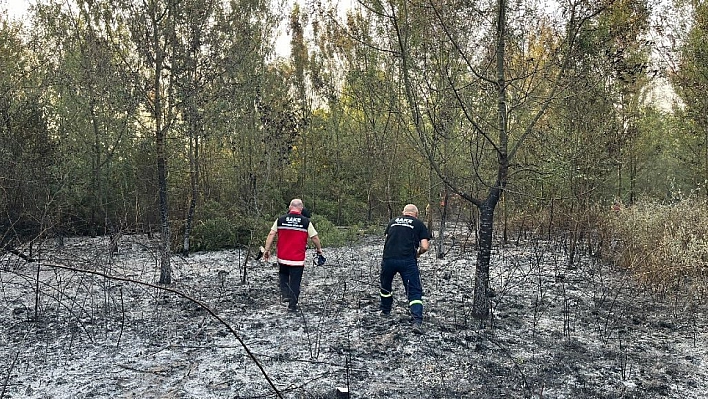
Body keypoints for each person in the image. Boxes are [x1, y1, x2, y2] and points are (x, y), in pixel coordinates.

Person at [263, 199, 323, 312]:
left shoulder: (280, 220)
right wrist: (319, 249)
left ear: (290, 207)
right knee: (295, 282)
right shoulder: (306, 222)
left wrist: (267, 250)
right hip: (297, 259)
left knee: (283, 277)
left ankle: (285, 294)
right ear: (301, 208)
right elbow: (314, 237)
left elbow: (271, 234)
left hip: (283, 257)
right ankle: (292, 306)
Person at [380, 204, 430, 334]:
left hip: (388, 259)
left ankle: (385, 311)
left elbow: (387, 239)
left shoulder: (392, 222)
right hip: (407, 260)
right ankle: (416, 321)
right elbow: (425, 246)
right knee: (414, 291)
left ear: (403, 212)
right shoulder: (418, 224)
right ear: (416, 214)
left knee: (385, 287)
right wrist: (418, 253)